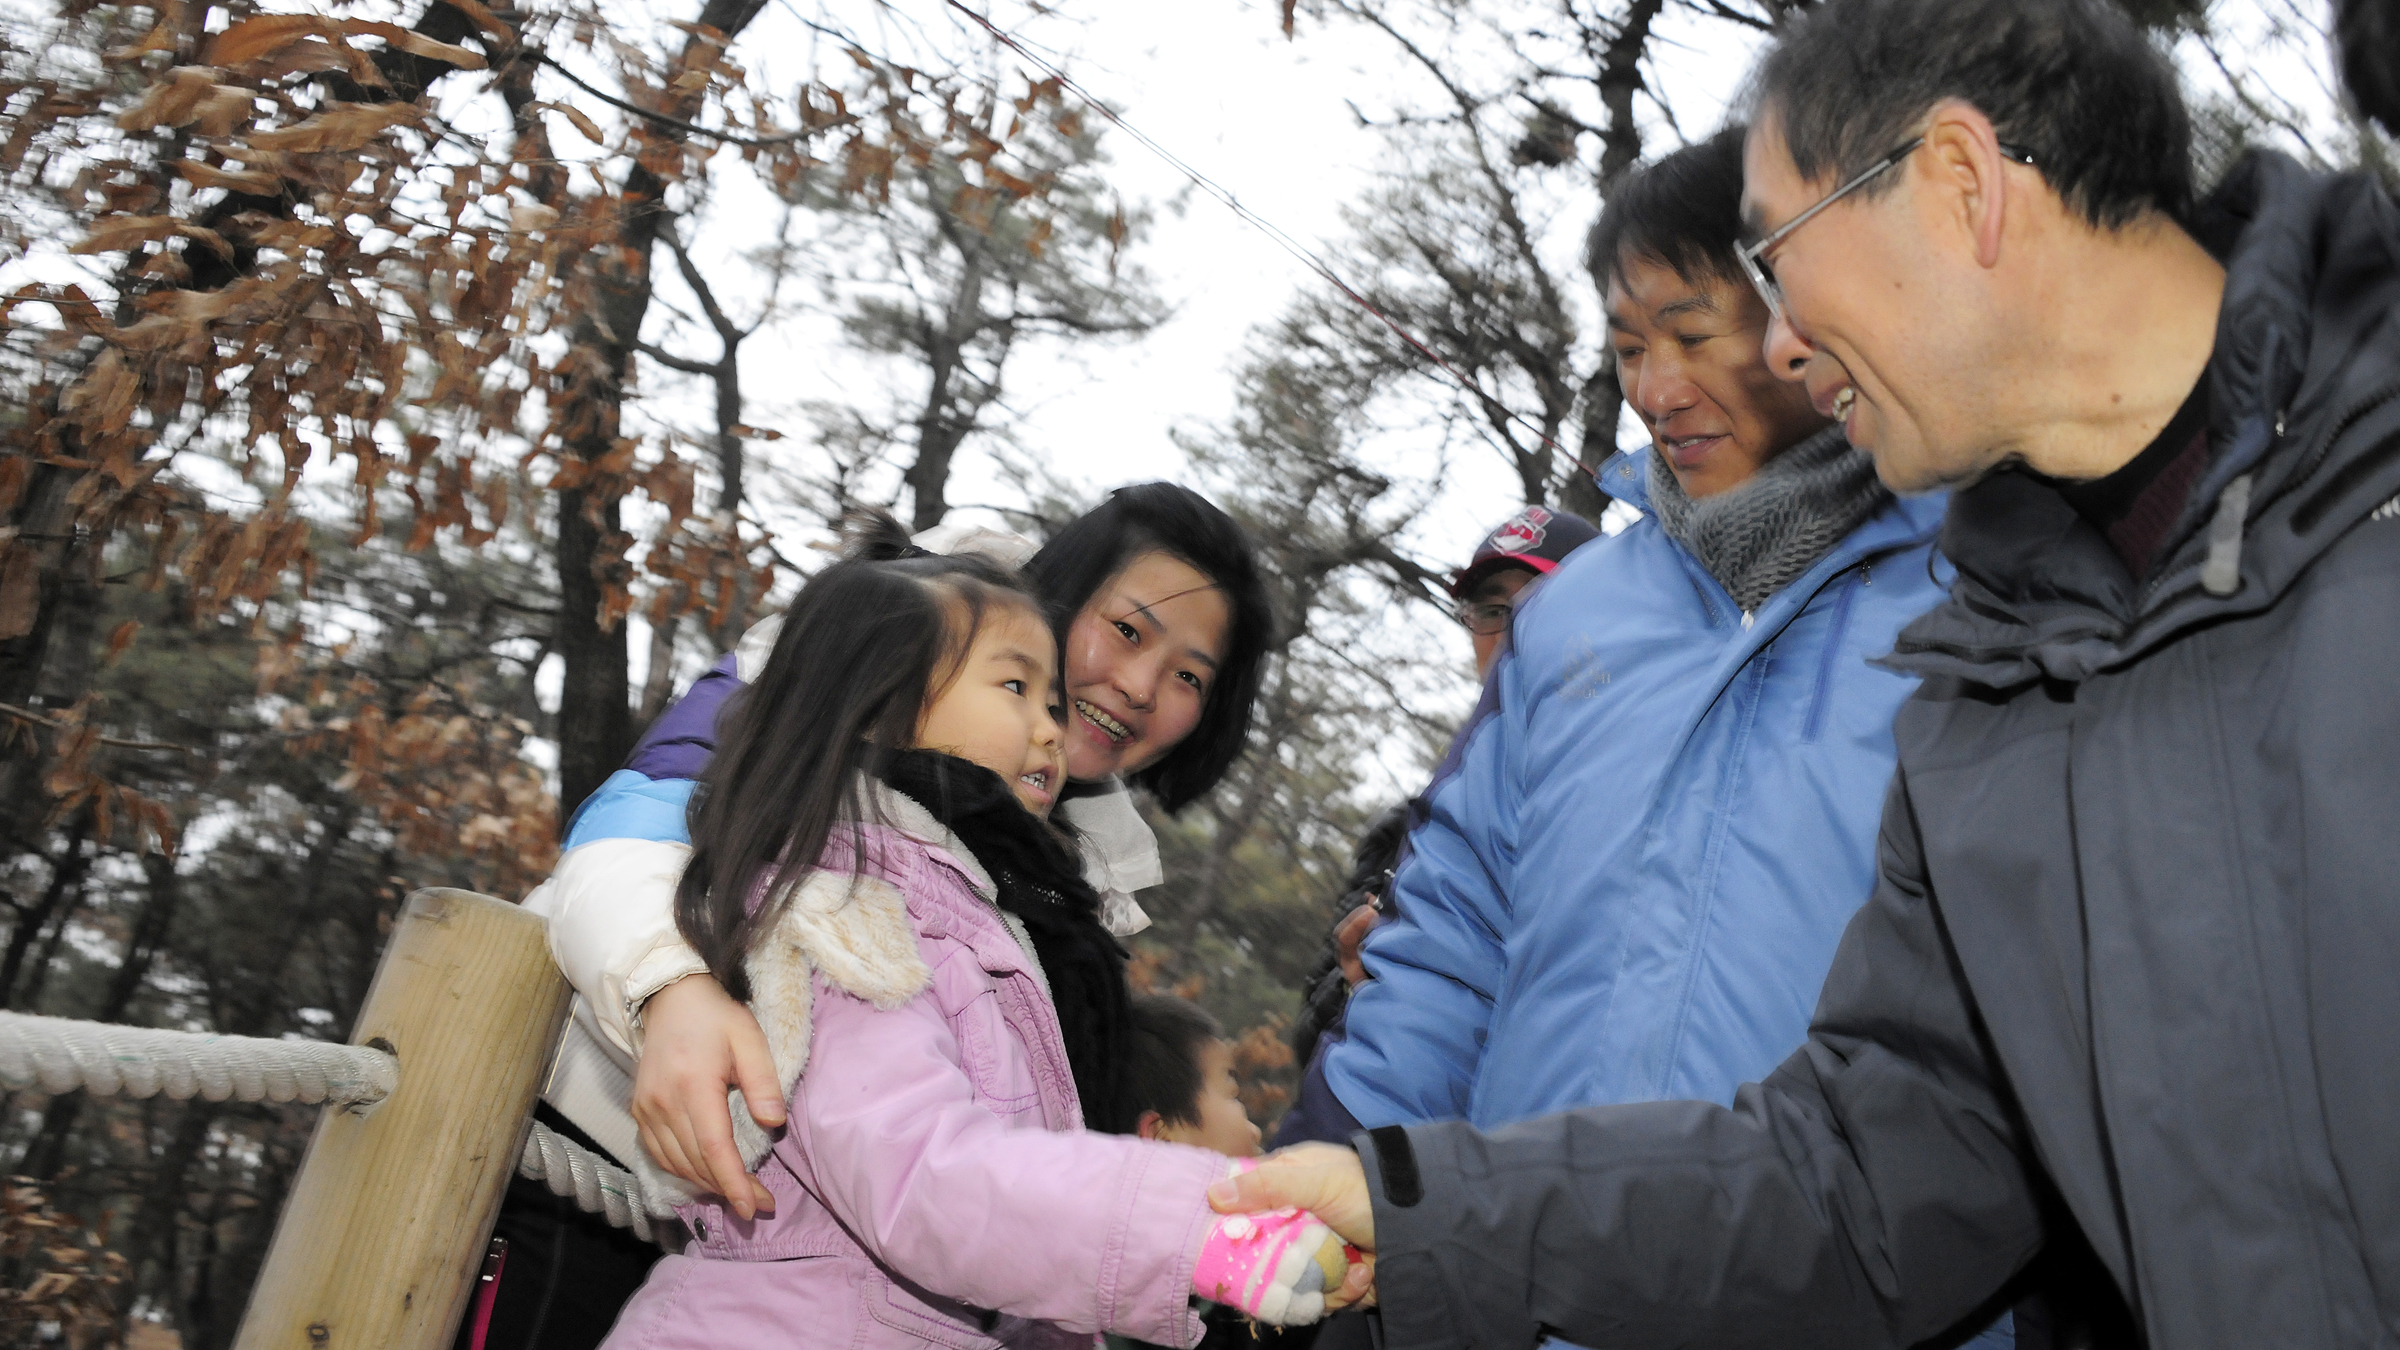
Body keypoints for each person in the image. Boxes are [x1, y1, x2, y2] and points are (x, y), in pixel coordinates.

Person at [1216, 3, 2400, 1347]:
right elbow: (1875, 1177)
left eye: (1777, 260)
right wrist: (1428, 1213)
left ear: (1959, 184)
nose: (1778, 342)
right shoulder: (1991, 687)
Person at [491, 486, 1277, 1346]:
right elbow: (642, 816)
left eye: (1189, 677)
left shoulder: (1086, 864)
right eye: (1127, 630)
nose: (1137, 686)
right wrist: (670, 989)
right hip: (598, 1153)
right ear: (1063, 590)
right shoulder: (887, 632)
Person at [1277, 508, 1600, 1148]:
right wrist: (1359, 987)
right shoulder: (1410, 833)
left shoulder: (1657, 801)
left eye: (1545, 602)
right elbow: (1312, 1039)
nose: (1515, 630)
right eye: (1492, 609)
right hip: (1413, 1179)